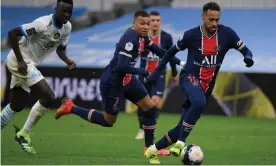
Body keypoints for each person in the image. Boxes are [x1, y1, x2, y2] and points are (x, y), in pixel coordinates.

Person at [55, 10, 182, 164]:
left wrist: (180, 62)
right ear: (133, 23)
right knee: (109, 121)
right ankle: (71, 107)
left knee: (150, 108)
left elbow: (159, 50)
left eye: (147, 24)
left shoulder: (142, 37)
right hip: (112, 83)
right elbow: (122, 66)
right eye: (142, 23)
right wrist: (142, 71)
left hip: (128, 80)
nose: (146, 26)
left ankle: (149, 149)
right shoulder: (130, 39)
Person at [144, 2, 254, 164]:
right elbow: (170, 52)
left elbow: (245, 49)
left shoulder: (227, 34)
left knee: (180, 126)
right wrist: (157, 72)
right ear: (203, 17)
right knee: (199, 102)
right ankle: (181, 143)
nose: (214, 23)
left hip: (207, 86)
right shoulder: (191, 35)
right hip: (189, 77)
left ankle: (152, 150)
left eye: (217, 20)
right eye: (211, 20)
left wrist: (248, 57)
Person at [0, 0, 75, 155]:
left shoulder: (67, 28)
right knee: (48, 96)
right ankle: (24, 134)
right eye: (63, 11)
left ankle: (20, 133)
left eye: (70, 11)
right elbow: (12, 33)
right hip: (20, 61)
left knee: (16, 105)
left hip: (28, 63)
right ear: (56, 9)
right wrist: (20, 60)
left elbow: (60, 49)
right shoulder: (42, 24)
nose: (67, 15)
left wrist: (67, 61)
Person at [135, 10, 178, 142]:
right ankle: (141, 128)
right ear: (148, 22)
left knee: (155, 101)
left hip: (159, 76)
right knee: (142, 104)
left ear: (160, 22)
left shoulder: (166, 37)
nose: (155, 23)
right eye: (152, 20)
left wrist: (175, 73)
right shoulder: (141, 36)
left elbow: (170, 55)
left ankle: (150, 129)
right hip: (143, 75)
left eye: (157, 20)